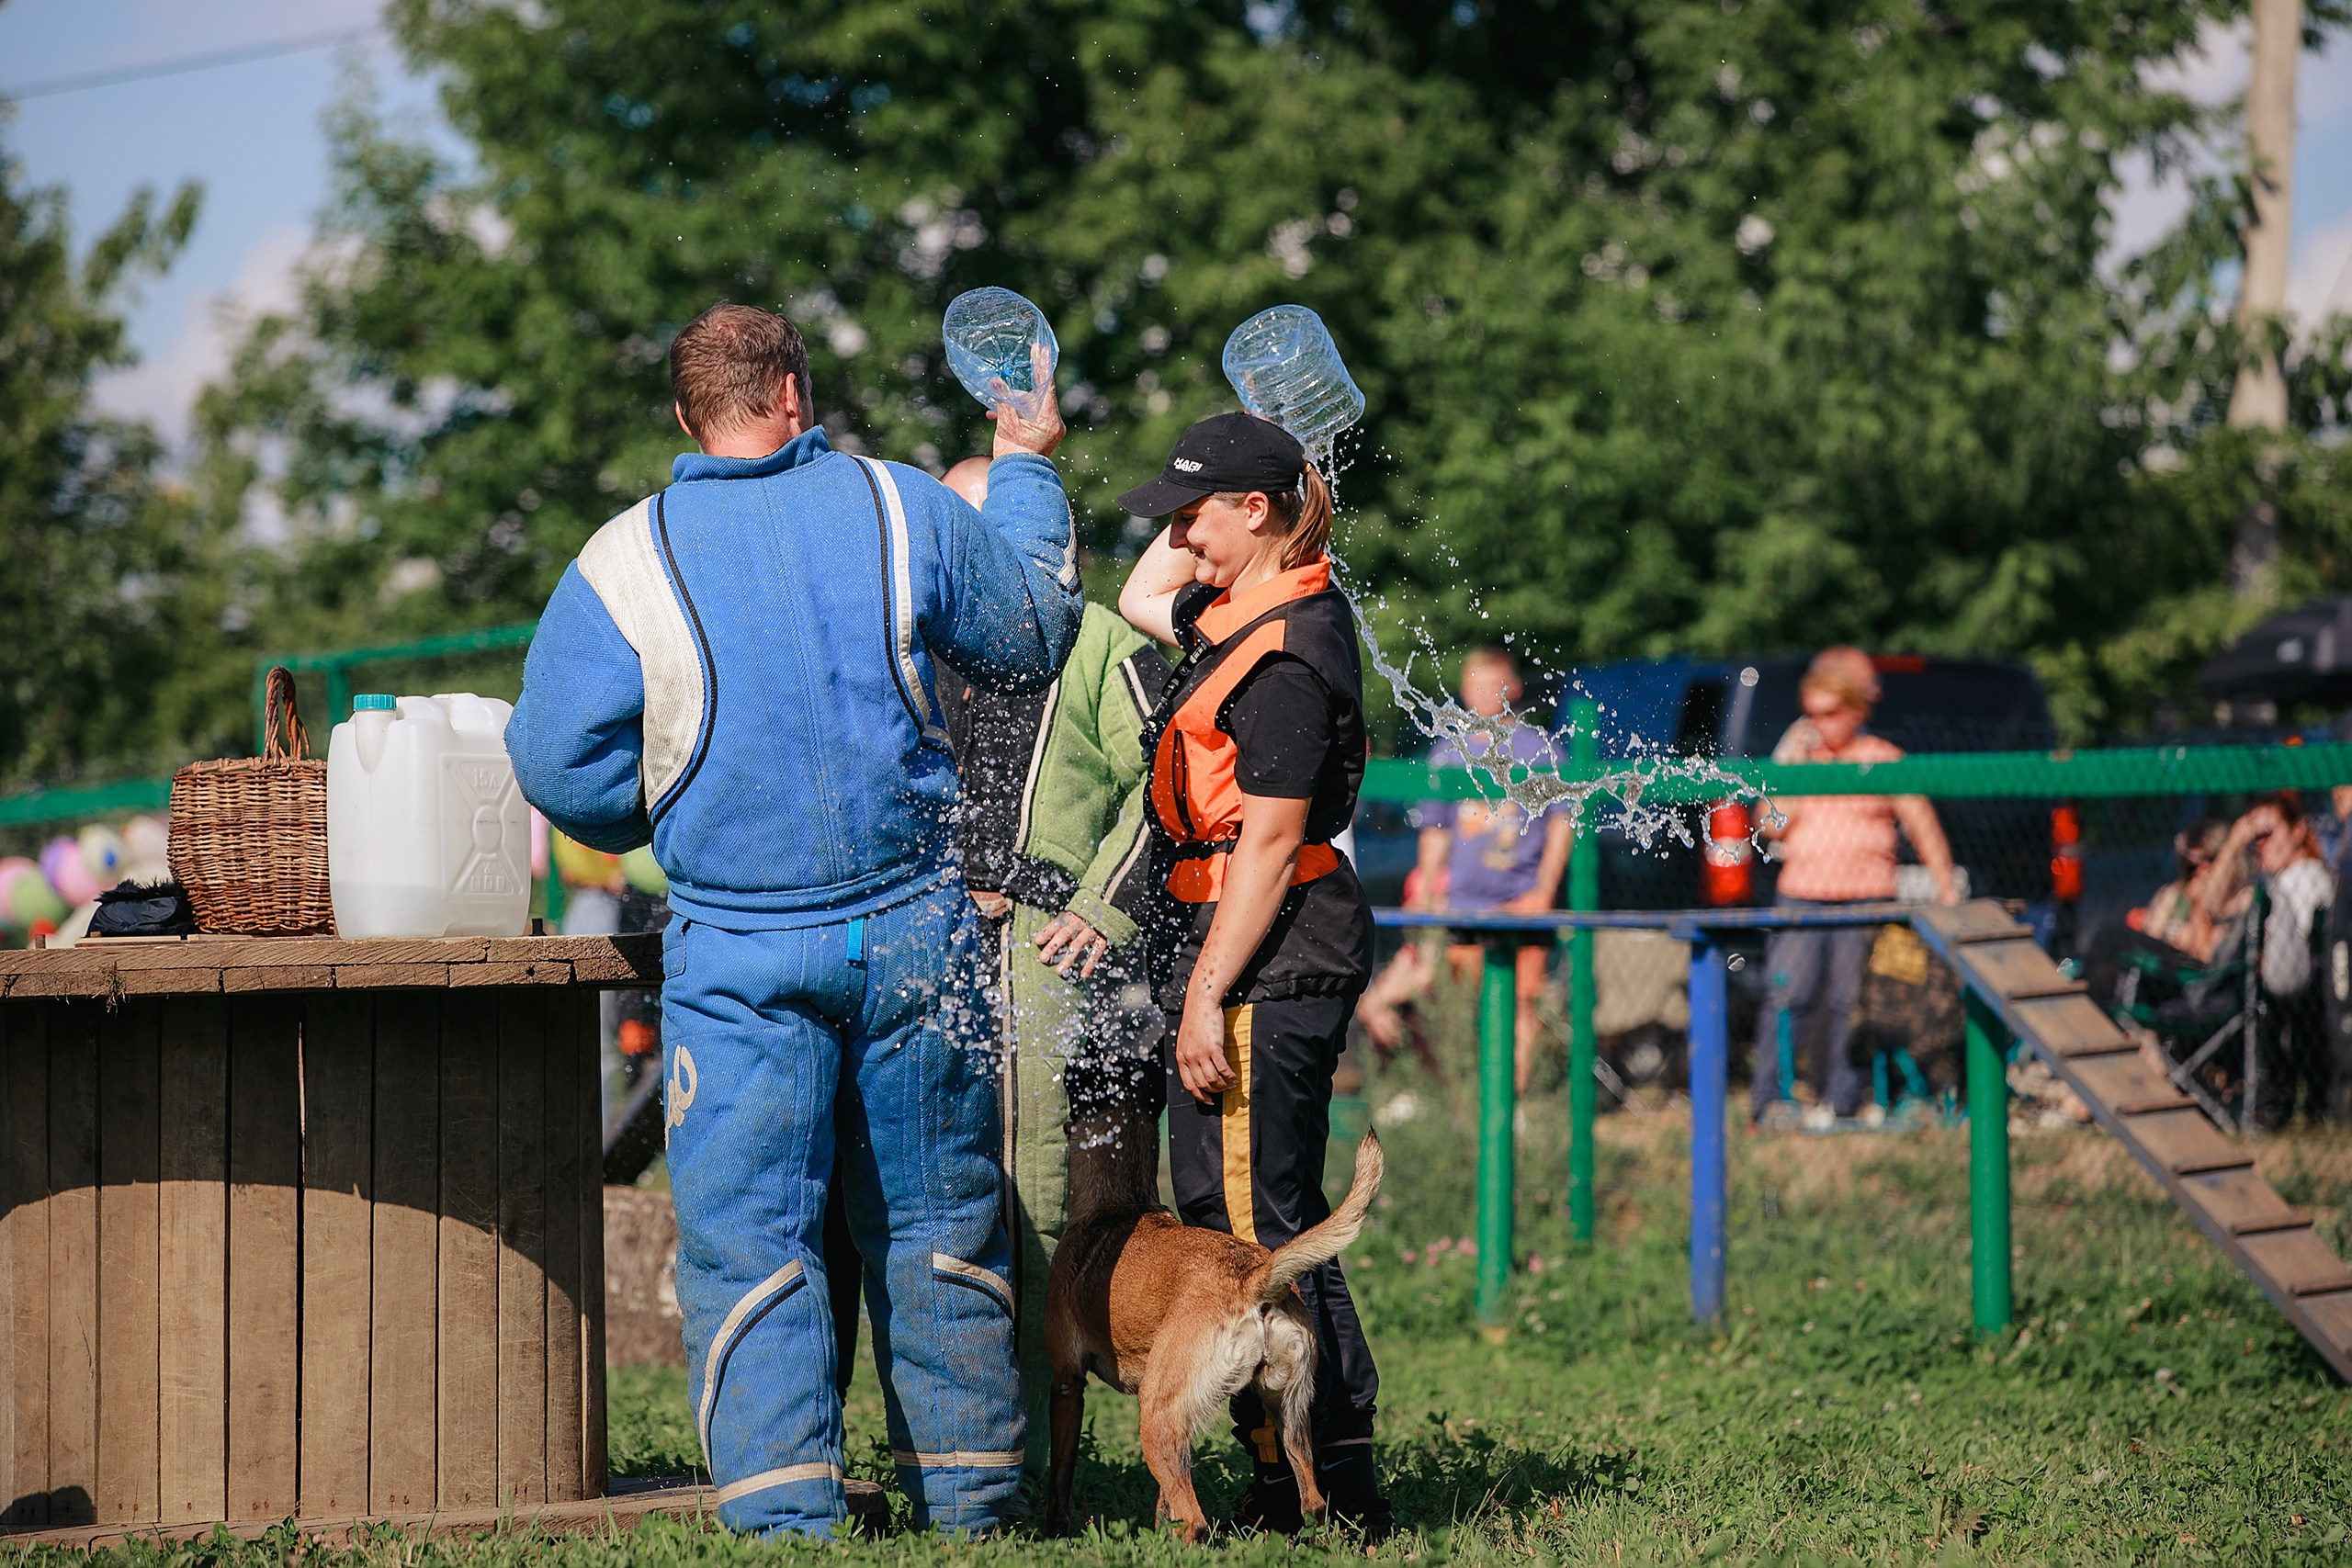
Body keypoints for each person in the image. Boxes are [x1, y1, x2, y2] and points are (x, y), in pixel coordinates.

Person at [506, 303, 1080, 1538]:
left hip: (738, 949)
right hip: (919, 933)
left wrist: (665, 803)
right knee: (939, 1213)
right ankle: (973, 1499)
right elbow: (1033, 634)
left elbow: (553, 765)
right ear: (793, 393)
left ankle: (782, 1518)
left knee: (749, 1232)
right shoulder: (900, 503)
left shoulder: (621, 559)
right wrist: (1025, 465)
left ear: (686, 416)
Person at [1116, 411, 1390, 1540]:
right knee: (1236, 1221)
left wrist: (1202, 996)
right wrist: (1225, 468)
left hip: (1268, 958)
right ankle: (1286, 1476)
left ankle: (1333, 1486)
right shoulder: (1241, 614)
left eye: (1195, 516)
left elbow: (1269, 848)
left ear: (1259, 510)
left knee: (1255, 1228)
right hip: (1238, 948)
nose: (1180, 540)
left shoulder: (1285, 656)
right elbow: (1140, 593)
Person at [933, 454, 1171, 1479]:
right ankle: (936, 1446)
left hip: (1050, 962)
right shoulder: (916, 640)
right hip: (926, 951)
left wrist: (1097, 904)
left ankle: (1019, 1462)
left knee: (1038, 1203)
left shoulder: (1102, 641)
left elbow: (1170, 780)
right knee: (925, 1193)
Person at [1751, 661, 1959, 1129]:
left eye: (1829, 713)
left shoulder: (1882, 758)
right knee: (1789, 996)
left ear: (1853, 712)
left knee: (1853, 1003)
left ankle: (1841, 1103)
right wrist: (1794, 771)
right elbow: (1768, 826)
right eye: (1811, 714)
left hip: (1866, 898)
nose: (1819, 724)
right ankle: (1769, 1102)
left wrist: (1945, 887)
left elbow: (1922, 824)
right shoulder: (1800, 760)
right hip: (1803, 895)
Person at [1353, 649, 1571, 1090]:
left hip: (1519, 901)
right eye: (1474, 685)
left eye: (1492, 685)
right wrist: (1427, 887)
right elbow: (1436, 831)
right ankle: (1429, 1094)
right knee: (1406, 995)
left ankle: (1513, 1106)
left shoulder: (1540, 750)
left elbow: (1561, 825)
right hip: (1459, 904)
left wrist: (1544, 889)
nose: (1482, 694)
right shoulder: (1450, 753)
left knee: (1520, 1006)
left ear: (1513, 689)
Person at [2197, 791, 2336, 1128]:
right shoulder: (2273, 881)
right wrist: (2235, 841)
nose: (2259, 845)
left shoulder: (2306, 877)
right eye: (2254, 838)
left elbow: (2290, 960)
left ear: (2298, 831)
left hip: (2290, 1003)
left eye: (2267, 834)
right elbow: (2212, 904)